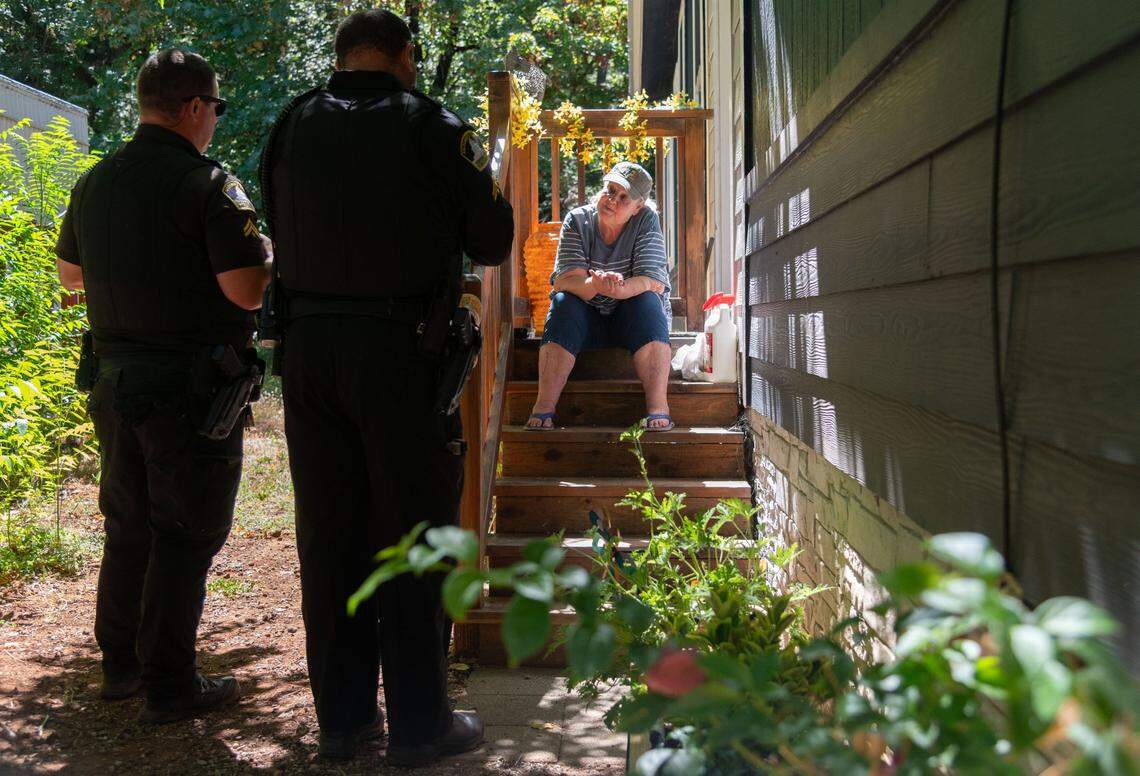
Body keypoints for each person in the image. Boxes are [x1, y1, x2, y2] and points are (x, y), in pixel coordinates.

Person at [259, 9, 513, 765]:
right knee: (410, 536)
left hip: (306, 356)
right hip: (401, 355)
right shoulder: (431, 127)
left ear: (341, 56)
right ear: (405, 57)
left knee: (330, 537)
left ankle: (342, 723)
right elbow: (493, 240)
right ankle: (419, 722)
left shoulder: (291, 123)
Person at [54, 49, 270, 723]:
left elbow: (69, 276)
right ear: (196, 107)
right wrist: (264, 259)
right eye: (217, 108)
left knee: (128, 525)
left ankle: (119, 665)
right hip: (188, 392)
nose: (215, 122)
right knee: (184, 530)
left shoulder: (96, 182)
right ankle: (171, 683)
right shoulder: (208, 186)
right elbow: (244, 290)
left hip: (114, 380)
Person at [526, 161, 674, 431]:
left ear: (637, 206)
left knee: (649, 301)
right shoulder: (577, 219)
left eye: (623, 197)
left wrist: (619, 289)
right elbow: (564, 280)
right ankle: (544, 405)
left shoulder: (646, 220)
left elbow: (654, 281)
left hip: (630, 319)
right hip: (586, 318)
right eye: (610, 190)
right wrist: (596, 284)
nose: (612, 200)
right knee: (562, 302)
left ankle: (658, 406)